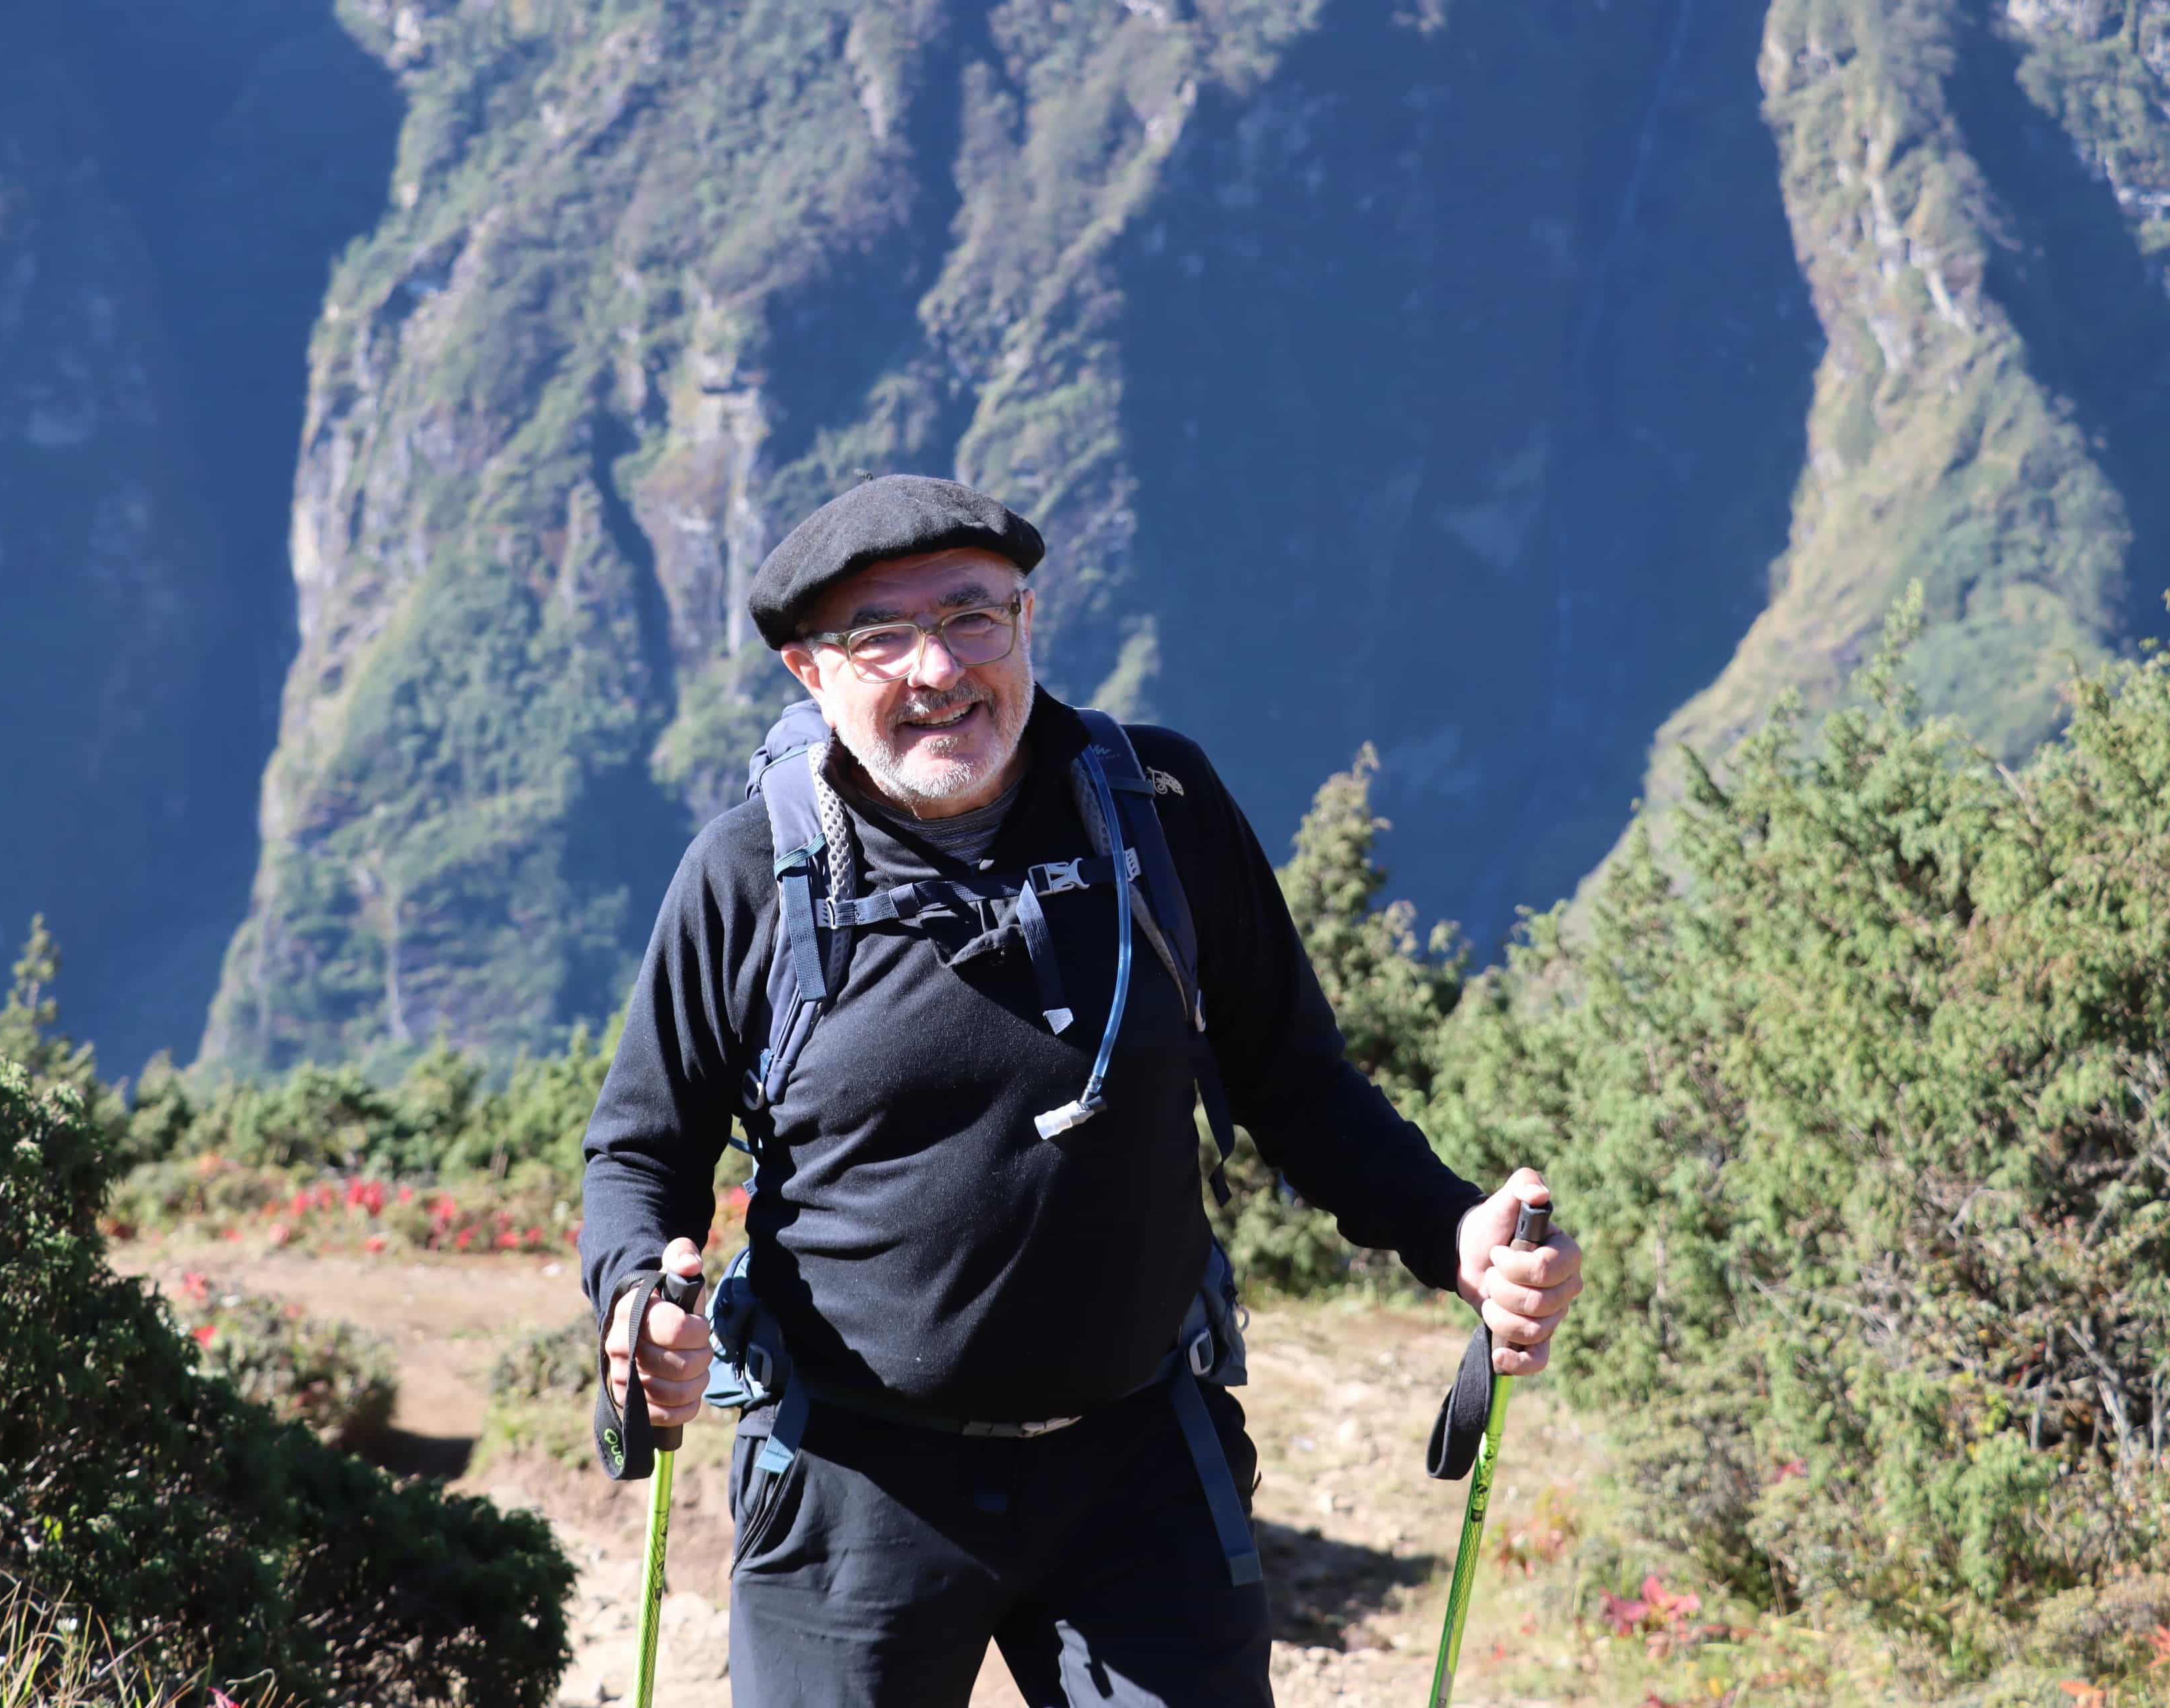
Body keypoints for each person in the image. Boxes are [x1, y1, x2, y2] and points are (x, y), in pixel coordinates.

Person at [580, 474, 1583, 1707]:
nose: (937, 669)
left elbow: (1298, 1084)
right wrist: (637, 1299)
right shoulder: (746, 873)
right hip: (853, 1479)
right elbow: (641, 1151)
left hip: (1140, 1471)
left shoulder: (1160, 812)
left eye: (971, 618)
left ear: (1027, 622)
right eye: (880, 637)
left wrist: (1454, 1230)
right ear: (809, 674)